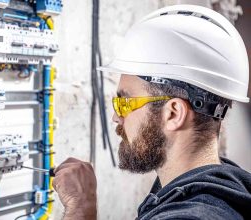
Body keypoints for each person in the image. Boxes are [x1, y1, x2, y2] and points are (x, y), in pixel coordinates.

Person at [52, 5, 251, 220]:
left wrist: (80, 209)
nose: (116, 117)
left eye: (125, 102)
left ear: (173, 113)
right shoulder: (222, 188)